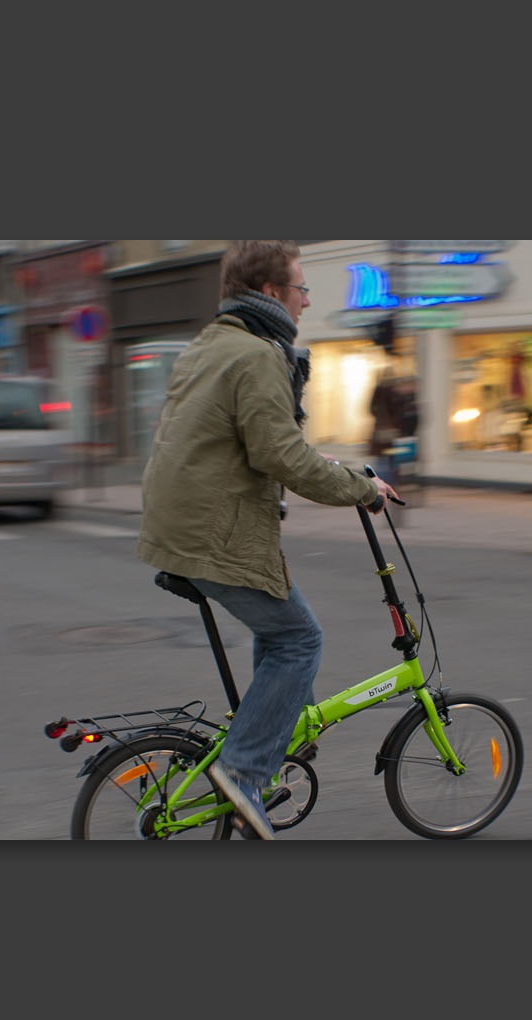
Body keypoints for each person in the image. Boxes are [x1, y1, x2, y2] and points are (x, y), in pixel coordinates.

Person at [137, 241, 399, 840]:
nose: (307, 301)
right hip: (214, 533)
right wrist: (360, 491)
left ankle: (255, 736)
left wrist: (329, 465)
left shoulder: (210, 343)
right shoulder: (259, 355)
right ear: (274, 292)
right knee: (300, 641)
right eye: (302, 288)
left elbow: (245, 440)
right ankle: (244, 770)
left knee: (277, 632)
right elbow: (279, 454)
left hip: (178, 524)